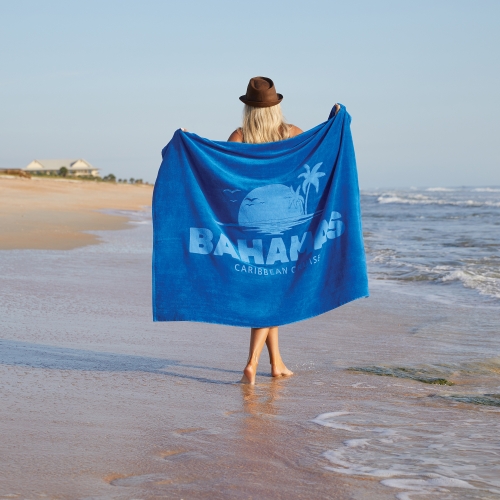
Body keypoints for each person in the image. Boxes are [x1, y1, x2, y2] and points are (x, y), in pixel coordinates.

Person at [228, 76, 340, 385]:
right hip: (286, 225)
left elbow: (223, 173)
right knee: (272, 293)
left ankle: (276, 363)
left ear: (248, 109)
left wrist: (190, 143)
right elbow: (320, 152)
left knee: (267, 291)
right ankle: (251, 363)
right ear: (276, 106)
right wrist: (335, 121)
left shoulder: (239, 136)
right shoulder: (291, 134)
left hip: (250, 226)